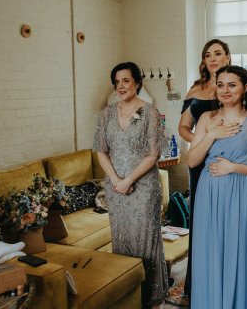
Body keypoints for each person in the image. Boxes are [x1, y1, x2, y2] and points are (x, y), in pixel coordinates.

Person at [188, 65, 247, 308]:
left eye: (232, 84)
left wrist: (234, 168)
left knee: (240, 250)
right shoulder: (207, 119)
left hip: (243, 192)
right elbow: (193, 160)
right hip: (210, 193)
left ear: (245, 88)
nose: (225, 90)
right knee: (211, 251)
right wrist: (211, 135)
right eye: (221, 84)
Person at [93, 62, 168, 309]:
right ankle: (128, 294)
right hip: (115, 190)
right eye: (117, 81)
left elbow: (153, 154)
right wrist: (116, 180)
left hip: (143, 187)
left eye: (126, 80)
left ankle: (150, 296)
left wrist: (128, 180)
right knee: (122, 239)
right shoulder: (106, 114)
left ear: (137, 82)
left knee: (145, 239)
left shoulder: (151, 112)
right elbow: (101, 151)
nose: (120, 86)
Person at [177, 39, 230, 301]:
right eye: (208, 54)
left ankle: (227, 280)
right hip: (200, 161)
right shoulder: (196, 88)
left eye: (218, 53)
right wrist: (200, 139)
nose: (212, 58)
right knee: (200, 220)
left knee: (226, 219)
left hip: (229, 160)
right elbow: (184, 127)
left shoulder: (234, 84)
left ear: (228, 57)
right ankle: (195, 286)